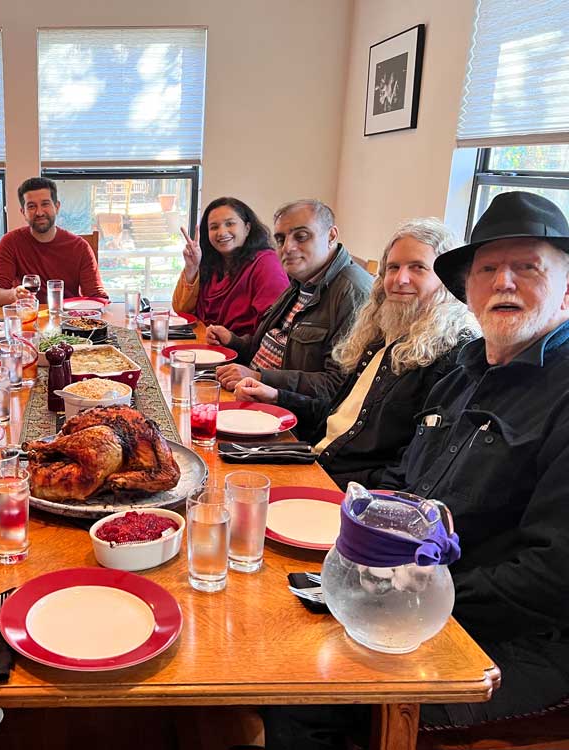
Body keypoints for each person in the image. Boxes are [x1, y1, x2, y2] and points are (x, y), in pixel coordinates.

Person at [263, 191, 569, 747]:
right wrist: (357, 547)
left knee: (306, 690)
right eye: (488, 269)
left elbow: (552, 575)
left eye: (527, 267)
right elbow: (406, 483)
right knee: (270, 620)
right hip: (410, 596)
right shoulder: (465, 372)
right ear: (468, 288)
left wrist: (404, 590)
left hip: (516, 638)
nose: (504, 282)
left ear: (566, 287)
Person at [233, 218, 477, 489]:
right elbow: (339, 416)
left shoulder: (453, 357)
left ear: (447, 281)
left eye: (418, 268)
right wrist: (277, 396)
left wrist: (329, 489)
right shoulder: (381, 334)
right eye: (393, 268)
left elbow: (412, 470)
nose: (400, 279)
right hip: (313, 458)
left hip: (345, 490)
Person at [211, 199, 372, 400]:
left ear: (331, 236)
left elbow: (336, 386)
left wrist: (260, 377)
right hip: (249, 391)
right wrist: (232, 341)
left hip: (287, 415)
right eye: (280, 239)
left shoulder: (353, 292)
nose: (287, 247)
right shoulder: (300, 281)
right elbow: (272, 344)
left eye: (301, 237)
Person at [171, 196, 289, 333]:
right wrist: (192, 267)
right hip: (204, 345)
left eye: (230, 224)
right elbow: (181, 311)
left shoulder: (266, 263)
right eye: (214, 227)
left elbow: (275, 324)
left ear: (247, 228)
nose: (221, 233)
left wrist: (233, 341)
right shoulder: (211, 265)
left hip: (244, 351)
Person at [0, 177, 108, 306]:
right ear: (23, 212)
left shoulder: (80, 247)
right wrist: (14, 294)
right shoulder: (10, 242)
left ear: (57, 207)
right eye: (31, 206)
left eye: (45, 204)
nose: (39, 212)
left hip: (69, 321)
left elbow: (96, 296)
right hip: (27, 320)